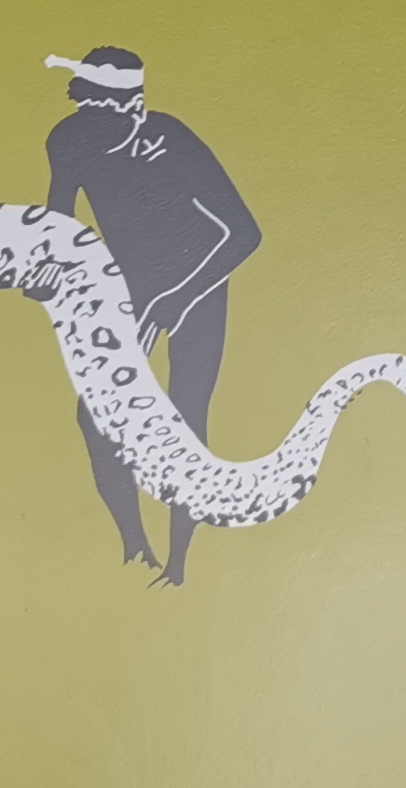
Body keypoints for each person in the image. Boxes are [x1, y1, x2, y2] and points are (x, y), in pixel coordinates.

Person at [41, 46, 264, 587]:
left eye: (98, 110)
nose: (86, 122)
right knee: (95, 417)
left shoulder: (172, 139)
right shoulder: (67, 140)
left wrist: (178, 299)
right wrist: (48, 273)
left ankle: (179, 563)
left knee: (185, 419)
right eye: (81, 107)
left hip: (200, 281)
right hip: (128, 287)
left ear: (130, 107)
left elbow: (244, 233)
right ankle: (134, 547)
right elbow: (57, 225)